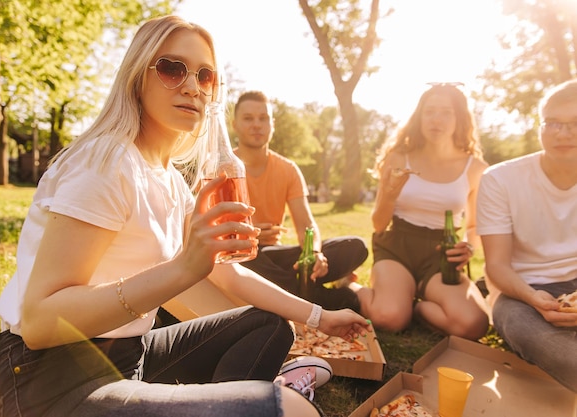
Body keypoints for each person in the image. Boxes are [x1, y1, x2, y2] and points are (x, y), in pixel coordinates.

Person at [0, 16, 371, 417]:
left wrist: (320, 316)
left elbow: (228, 273)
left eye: (205, 76)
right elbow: (38, 323)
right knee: (294, 411)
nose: (192, 85)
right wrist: (183, 268)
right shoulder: (103, 164)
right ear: (138, 76)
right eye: (173, 69)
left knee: (269, 325)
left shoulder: (169, 180)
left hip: (127, 357)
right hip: (49, 382)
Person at [362, 83, 489, 340]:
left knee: (473, 324)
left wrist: (469, 246)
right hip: (397, 246)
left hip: (442, 254)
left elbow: (475, 226)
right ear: (419, 116)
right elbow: (378, 224)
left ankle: (418, 308)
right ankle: (351, 287)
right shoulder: (399, 158)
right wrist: (390, 194)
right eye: (429, 111)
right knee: (389, 318)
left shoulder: (475, 168)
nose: (436, 119)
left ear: (459, 118)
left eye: (446, 112)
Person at [476, 79, 577, 393]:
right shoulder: (500, 180)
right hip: (524, 293)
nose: (562, 132)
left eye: (574, 123)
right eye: (553, 123)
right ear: (540, 127)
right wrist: (533, 297)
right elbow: (497, 266)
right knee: (521, 326)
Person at [232, 91, 370, 315]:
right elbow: (212, 232)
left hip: (277, 258)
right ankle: (312, 295)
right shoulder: (222, 166)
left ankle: (289, 292)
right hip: (243, 256)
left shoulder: (287, 169)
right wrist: (248, 234)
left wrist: (314, 253)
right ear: (235, 124)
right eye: (248, 118)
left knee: (355, 246)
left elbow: (306, 224)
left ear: (272, 124)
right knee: (242, 261)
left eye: (263, 118)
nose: (256, 125)